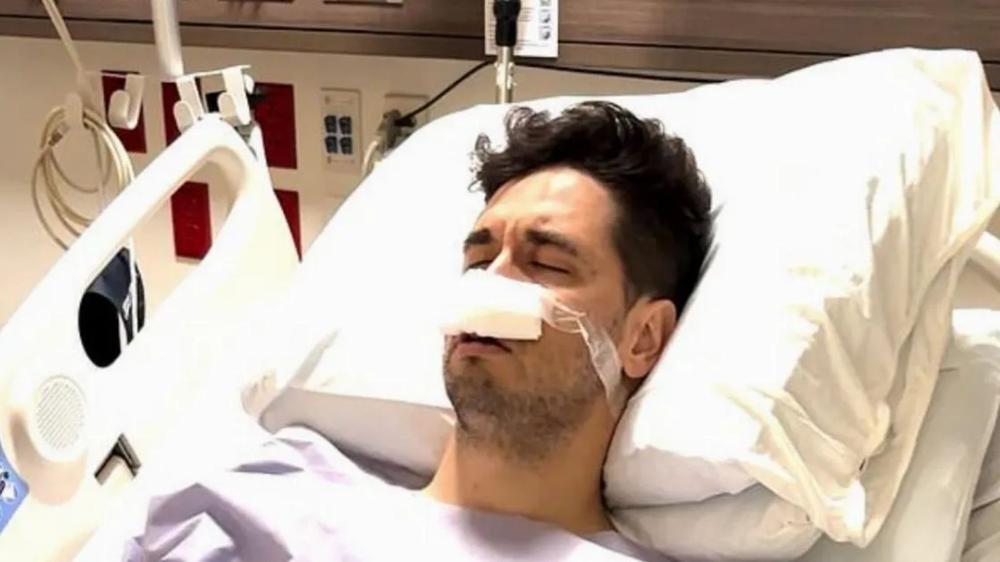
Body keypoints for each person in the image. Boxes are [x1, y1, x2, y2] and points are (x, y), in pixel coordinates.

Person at [122, 102, 712, 561]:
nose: (490, 289)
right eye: (479, 262)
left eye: (548, 264)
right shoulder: (268, 501)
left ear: (642, 338)